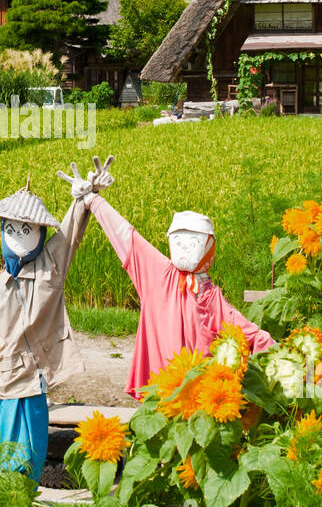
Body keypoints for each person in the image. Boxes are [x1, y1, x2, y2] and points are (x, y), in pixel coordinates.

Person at [0, 161, 111, 482]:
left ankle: (21, 493)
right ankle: (0, 492)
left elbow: (68, 236)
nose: (18, 237)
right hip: (6, 380)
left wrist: (83, 199)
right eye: (11, 229)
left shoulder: (50, 268)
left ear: (41, 234)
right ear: (1, 231)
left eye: (28, 230)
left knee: (27, 451)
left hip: (34, 381)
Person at [78, 160, 273, 399]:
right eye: (179, 242)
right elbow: (125, 236)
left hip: (200, 394)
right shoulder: (157, 273)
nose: (185, 249)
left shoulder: (211, 297)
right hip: (163, 387)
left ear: (208, 247)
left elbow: (246, 332)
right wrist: (93, 199)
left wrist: (284, 354)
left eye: (193, 243)